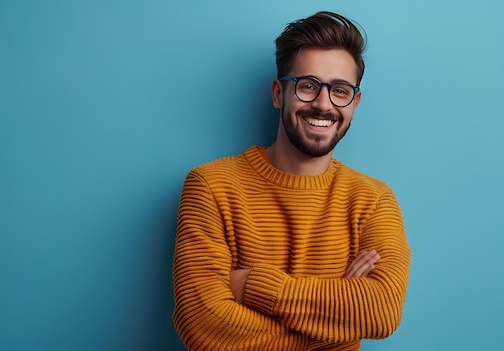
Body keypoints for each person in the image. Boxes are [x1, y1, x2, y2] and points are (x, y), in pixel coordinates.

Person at [172, 11, 411, 351]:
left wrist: (252, 285)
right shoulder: (210, 186)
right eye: (308, 86)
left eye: (340, 90)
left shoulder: (373, 199)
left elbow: (382, 311)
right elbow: (202, 327)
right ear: (277, 93)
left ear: (354, 103)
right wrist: (336, 316)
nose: (323, 104)